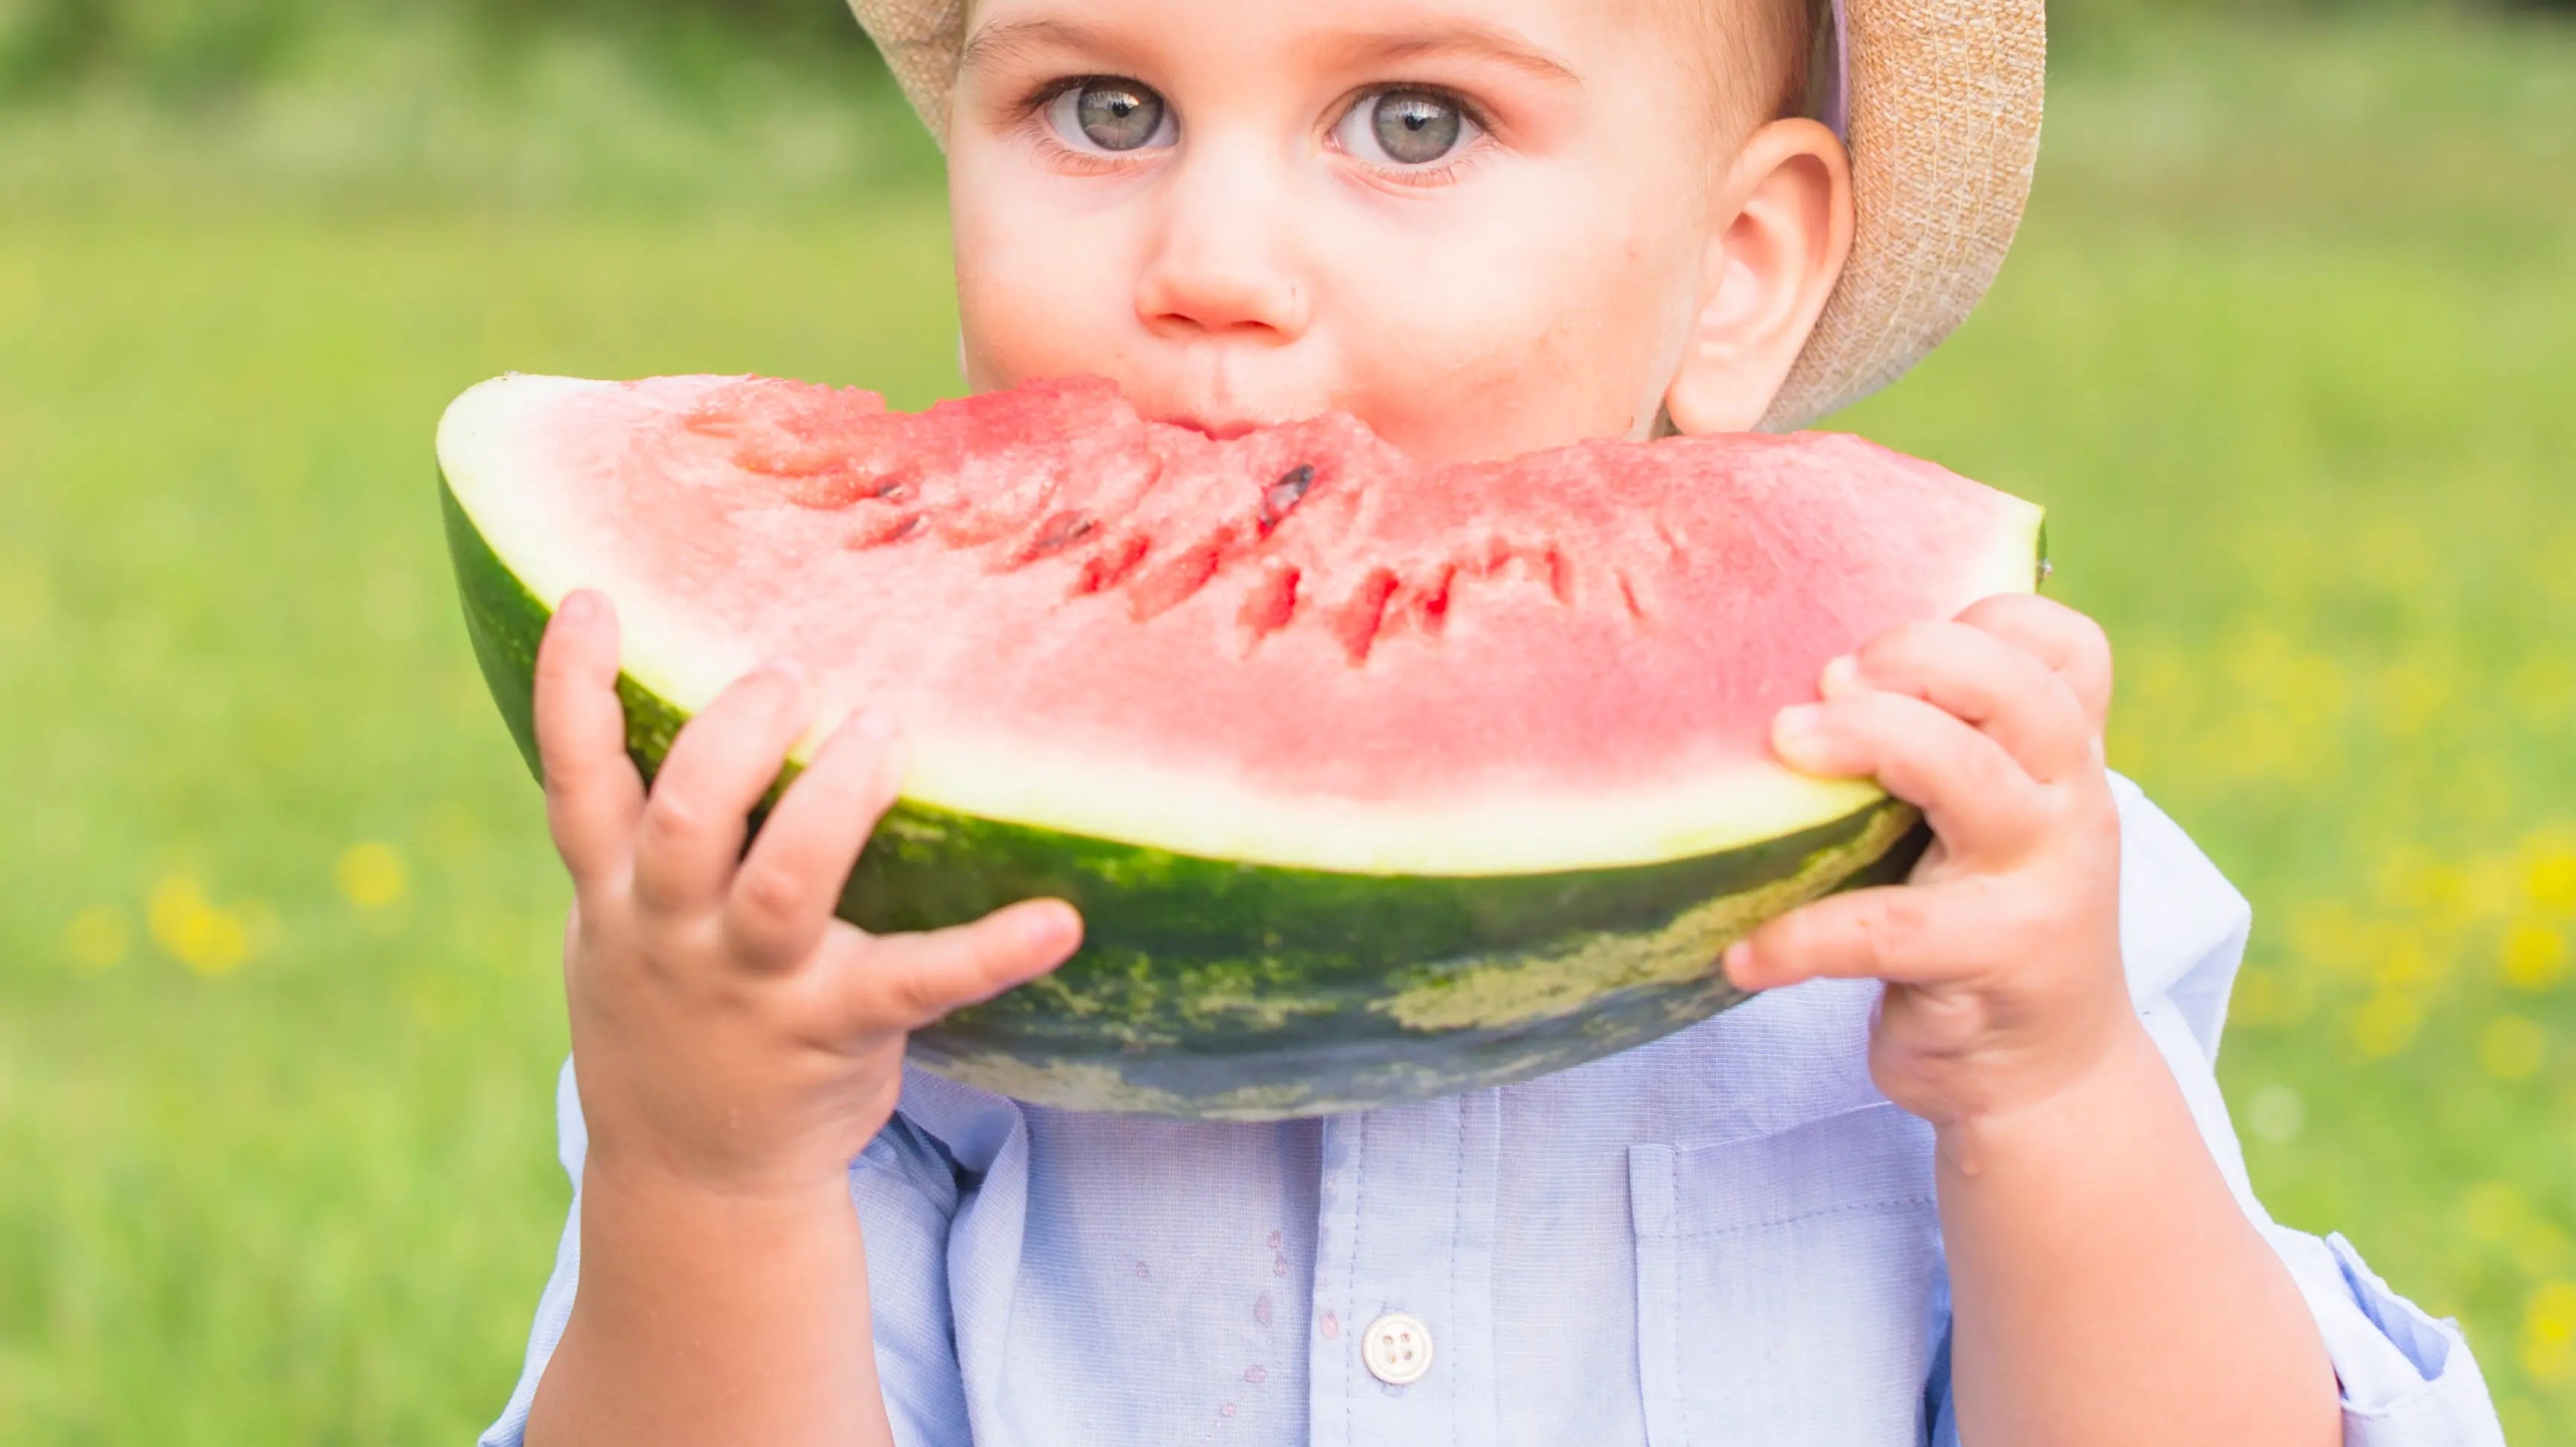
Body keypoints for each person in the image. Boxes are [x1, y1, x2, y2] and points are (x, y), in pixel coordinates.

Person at [480, 1, 2508, 1443]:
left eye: (1415, 120)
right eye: (1102, 107)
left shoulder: (1977, 868)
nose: (1213, 264)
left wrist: (2055, 1097)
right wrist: (710, 1168)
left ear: (1735, 269)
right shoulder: (831, 915)